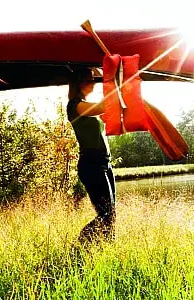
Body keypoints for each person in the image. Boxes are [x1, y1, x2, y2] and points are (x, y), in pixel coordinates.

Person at [67, 67, 116, 244]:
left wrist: (98, 68)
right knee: (105, 215)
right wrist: (113, 81)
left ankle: (106, 250)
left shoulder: (85, 106)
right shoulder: (75, 105)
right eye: (91, 79)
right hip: (91, 165)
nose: (95, 82)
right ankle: (78, 247)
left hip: (104, 164)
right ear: (80, 82)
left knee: (111, 215)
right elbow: (104, 106)